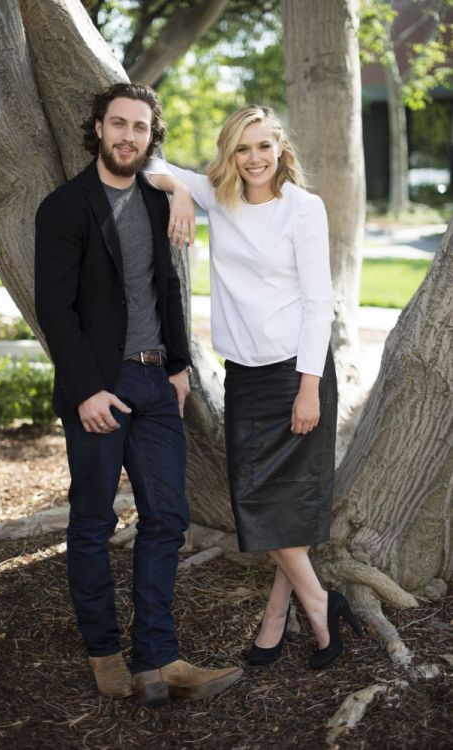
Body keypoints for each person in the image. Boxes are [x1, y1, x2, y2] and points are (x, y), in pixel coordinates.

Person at [34, 82, 242, 706]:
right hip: (100, 387)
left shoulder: (158, 201)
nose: (129, 136)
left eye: (141, 127)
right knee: (94, 523)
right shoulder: (65, 206)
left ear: (153, 137)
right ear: (97, 127)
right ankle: (105, 658)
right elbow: (55, 308)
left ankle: (159, 659)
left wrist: (178, 367)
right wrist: (85, 391)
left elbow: (167, 289)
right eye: (118, 123)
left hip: (156, 383)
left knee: (167, 519)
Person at [145, 105, 363, 669]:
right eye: (243, 148)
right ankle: (319, 600)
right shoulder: (220, 197)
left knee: (286, 502)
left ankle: (285, 615)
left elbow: (319, 303)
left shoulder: (303, 209)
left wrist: (309, 387)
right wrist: (181, 193)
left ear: (280, 149)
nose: (254, 158)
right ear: (230, 155)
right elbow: (148, 164)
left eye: (263, 146)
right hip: (245, 376)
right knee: (255, 499)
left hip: (299, 371)